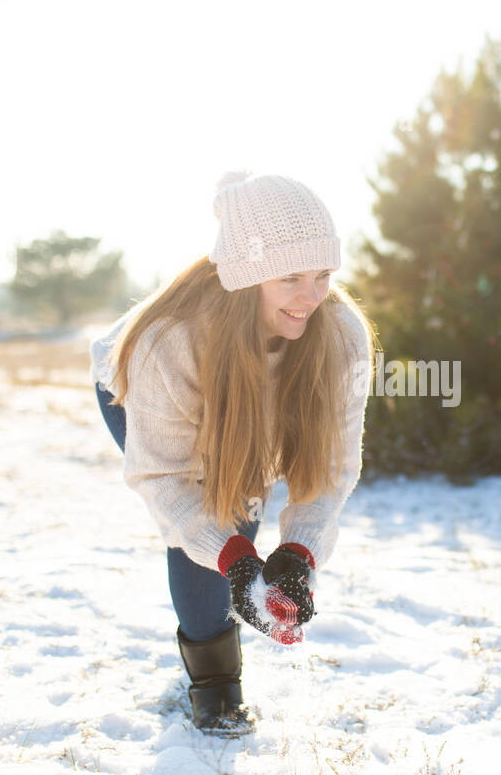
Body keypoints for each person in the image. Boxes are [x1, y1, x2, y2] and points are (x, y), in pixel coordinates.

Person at [90, 170, 379, 737]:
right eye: (290, 278)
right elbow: (166, 479)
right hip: (135, 390)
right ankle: (216, 686)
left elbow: (332, 469)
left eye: (323, 274)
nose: (313, 297)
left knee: (236, 508)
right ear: (248, 280)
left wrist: (299, 552)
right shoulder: (170, 342)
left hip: (247, 392)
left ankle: (224, 607)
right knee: (222, 508)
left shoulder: (340, 334)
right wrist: (236, 559)